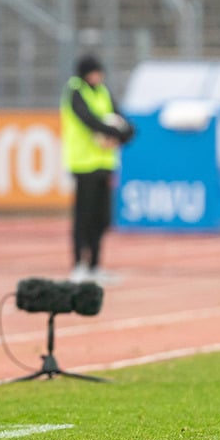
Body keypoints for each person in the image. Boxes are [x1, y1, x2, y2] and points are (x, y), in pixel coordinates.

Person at [60, 55, 133, 285]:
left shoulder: (103, 91)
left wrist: (125, 133)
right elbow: (88, 120)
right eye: (93, 72)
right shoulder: (75, 91)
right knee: (84, 215)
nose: (97, 77)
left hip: (104, 163)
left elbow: (120, 118)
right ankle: (79, 264)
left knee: (102, 217)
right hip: (83, 164)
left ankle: (95, 265)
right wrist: (114, 133)